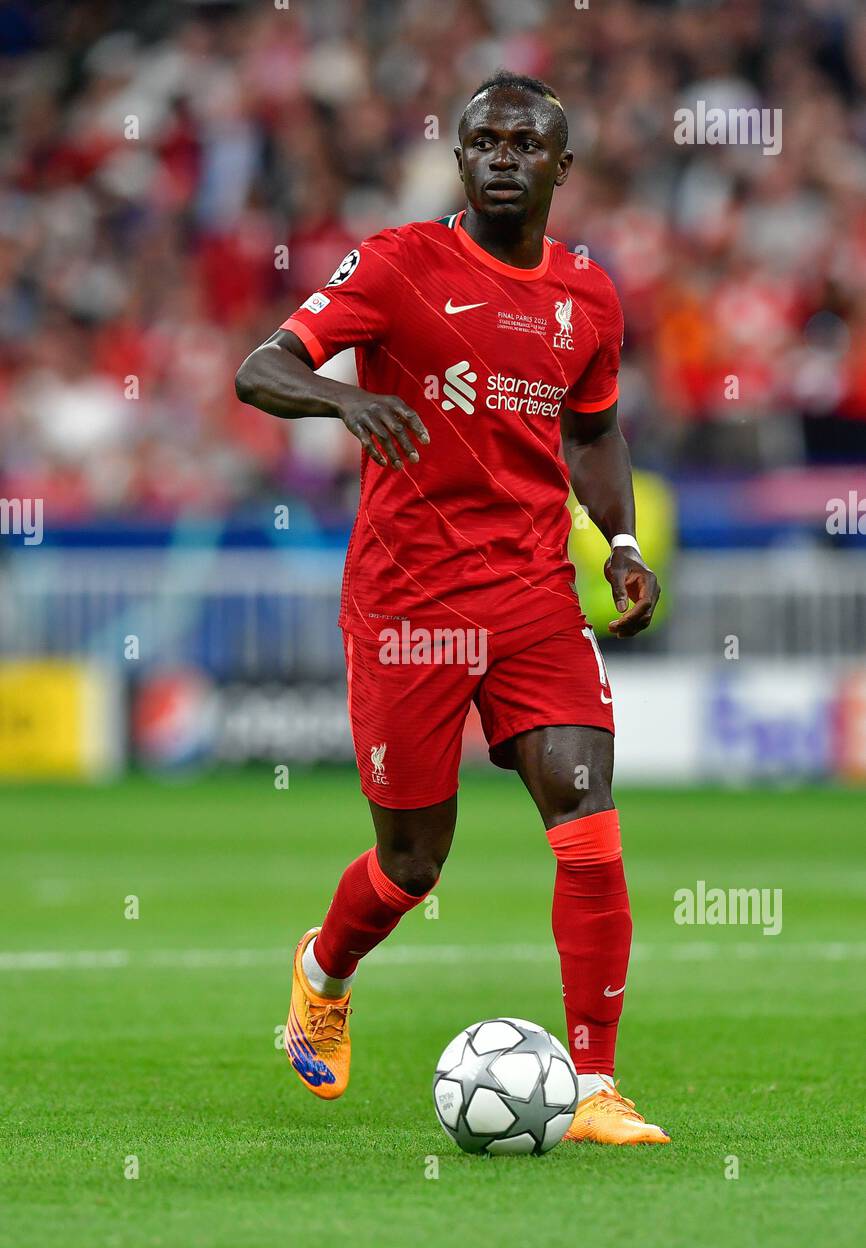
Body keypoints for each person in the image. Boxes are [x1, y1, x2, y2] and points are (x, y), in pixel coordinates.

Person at [235, 71, 668, 1145]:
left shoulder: (587, 297)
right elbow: (262, 368)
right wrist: (347, 398)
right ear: (460, 157)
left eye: (527, 143)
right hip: (405, 607)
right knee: (412, 863)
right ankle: (322, 971)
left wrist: (616, 544)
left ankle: (596, 1085)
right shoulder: (397, 265)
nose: (504, 157)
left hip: (529, 595)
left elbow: (594, 430)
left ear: (561, 166)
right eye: (485, 141)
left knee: (587, 819)